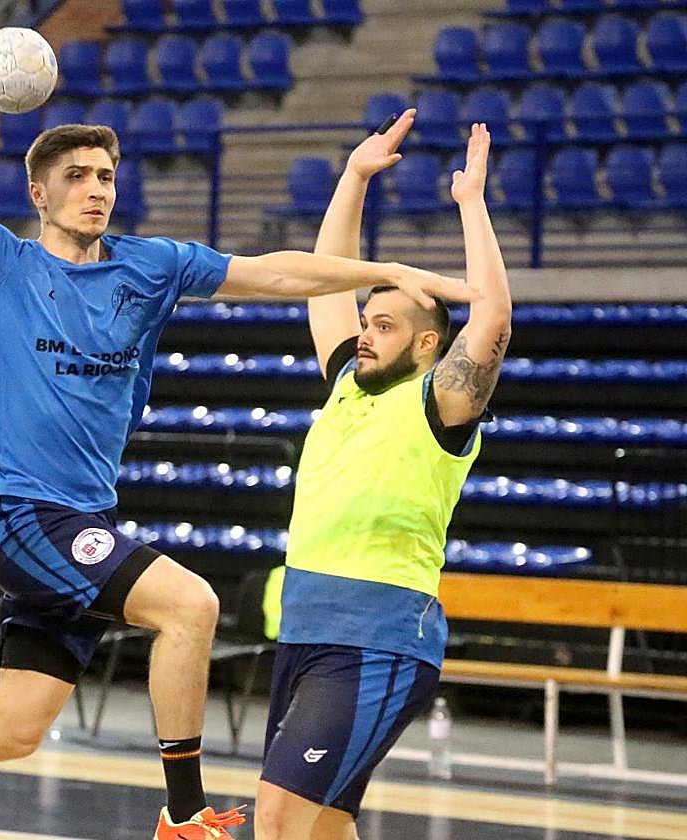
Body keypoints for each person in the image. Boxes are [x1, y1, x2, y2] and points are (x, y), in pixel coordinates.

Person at [0, 89, 477, 840]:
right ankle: (183, 814)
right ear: (37, 192)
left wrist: (384, 268)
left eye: (106, 175)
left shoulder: (151, 265)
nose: (97, 188)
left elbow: (274, 274)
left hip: (85, 515)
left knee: (13, 728)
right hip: (22, 512)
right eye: (76, 175)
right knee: (190, 606)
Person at [255, 117, 513, 840]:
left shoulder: (441, 401)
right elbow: (323, 278)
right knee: (323, 828)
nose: (365, 331)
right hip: (305, 633)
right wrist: (355, 178)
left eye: (387, 324)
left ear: (429, 343)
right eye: (366, 320)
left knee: (277, 821)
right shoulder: (346, 382)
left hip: (377, 640)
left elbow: (491, 317)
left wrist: (470, 203)